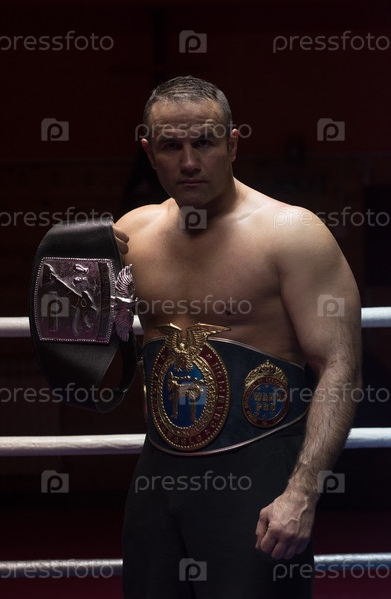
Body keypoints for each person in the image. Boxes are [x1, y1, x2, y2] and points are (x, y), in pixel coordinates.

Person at [113, 75, 362, 598]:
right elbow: (97, 361)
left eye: (204, 142)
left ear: (232, 144)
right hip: (158, 476)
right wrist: (76, 286)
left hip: (259, 474)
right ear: (149, 152)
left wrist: (303, 491)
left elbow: (339, 367)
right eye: (171, 147)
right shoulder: (132, 234)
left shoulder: (292, 234)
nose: (188, 161)